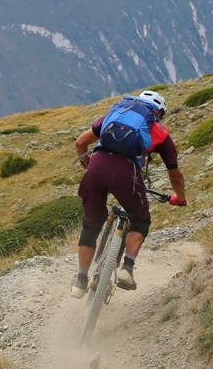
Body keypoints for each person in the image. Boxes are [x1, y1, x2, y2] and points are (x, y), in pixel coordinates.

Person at [70, 90, 187, 298]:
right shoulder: (160, 132)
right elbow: (175, 173)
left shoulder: (114, 114)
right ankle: (127, 269)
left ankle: (80, 280)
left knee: (92, 222)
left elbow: (80, 143)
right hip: (126, 173)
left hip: (97, 166)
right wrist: (180, 197)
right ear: (158, 113)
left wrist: (86, 163)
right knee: (140, 218)